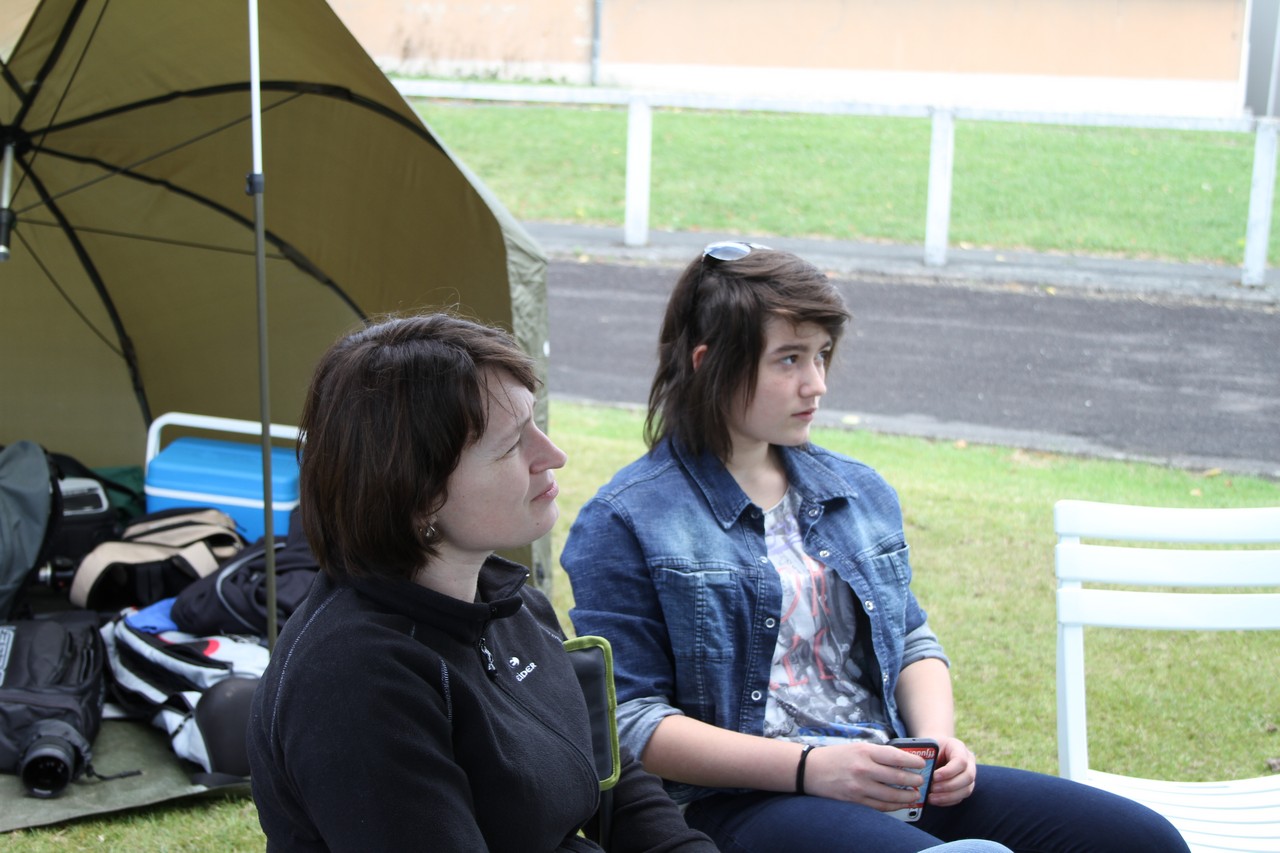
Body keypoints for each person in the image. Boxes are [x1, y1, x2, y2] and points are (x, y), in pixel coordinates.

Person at [560, 242, 1192, 853]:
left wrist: (935, 746)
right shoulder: (626, 520)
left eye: (822, 355)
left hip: (890, 775)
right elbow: (632, 722)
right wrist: (811, 768)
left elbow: (912, 638)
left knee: (1145, 840)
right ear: (707, 363)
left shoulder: (856, 491)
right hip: (740, 803)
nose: (817, 385)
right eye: (789, 359)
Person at [246, 313, 717, 852]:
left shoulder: (510, 604)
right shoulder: (356, 680)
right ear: (417, 491)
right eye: (514, 442)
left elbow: (611, 779)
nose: (554, 456)